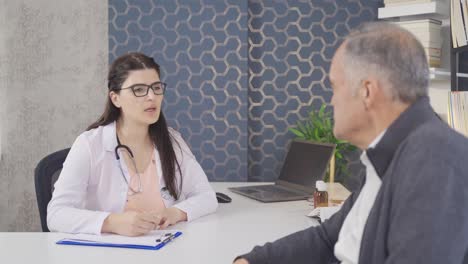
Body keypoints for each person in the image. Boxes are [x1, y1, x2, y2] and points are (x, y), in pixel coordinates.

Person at [235, 22, 468, 264]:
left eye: (335, 87)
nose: (332, 100)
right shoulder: (389, 157)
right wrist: (251, 261)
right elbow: (327, 239)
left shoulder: (436, 159)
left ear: (367, 91)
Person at [47, 52, 218, 236]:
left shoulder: (172, 140)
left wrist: (174, 213)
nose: (152, 96)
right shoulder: (89, 145)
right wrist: (111, 222)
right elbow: (56, 214)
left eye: (156, 87)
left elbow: (207, 197)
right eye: (139, 90)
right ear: (115, 98)